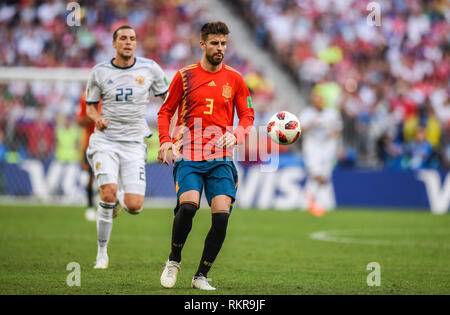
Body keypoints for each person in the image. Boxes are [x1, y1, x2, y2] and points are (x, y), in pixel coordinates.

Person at [157, 21, 254, 290]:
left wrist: (236, 135)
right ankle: (174, 260)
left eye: (223, 43)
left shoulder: (235, 78)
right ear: (202, 45)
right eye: (214, 43)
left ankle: (200, 275)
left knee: (221, 216)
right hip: (189, 153)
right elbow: (165, 111)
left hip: (221, 158)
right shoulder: (184, 76)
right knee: (188, 206)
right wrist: (165, 141)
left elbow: (247, 115)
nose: (220, 48)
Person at [85, 25, 168, 269]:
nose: (128, 42)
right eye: (123, 38)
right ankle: (101, 253)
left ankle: (122, 198)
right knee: (107, 193)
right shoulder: (99, 72)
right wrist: (96, 118)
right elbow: (90, 105)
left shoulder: (150, 68)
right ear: (114, 43)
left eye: (132, 38)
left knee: (134, 206)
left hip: (133, 142)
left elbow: (169, 97)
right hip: (106, 140)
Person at [299, 91, 342, 216]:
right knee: (316, 174)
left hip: (328, 147)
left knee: (325, 176)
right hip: (312, 147)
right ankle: (316, 202)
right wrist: (311, 124)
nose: (318, 101)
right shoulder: (307, 114)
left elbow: (338, 129)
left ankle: (319, 203)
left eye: (320, 99)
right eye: (316, 99)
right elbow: (299, 130)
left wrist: (332, 134)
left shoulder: (332, 113)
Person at [76, 92, 102, 222]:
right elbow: (80, 121)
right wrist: (94, 116)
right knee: (90, 176)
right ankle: (90, 206)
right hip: (90, 143)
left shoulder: (113, 92)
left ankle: (104, 203)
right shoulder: (86, 96)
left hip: (109, 143)